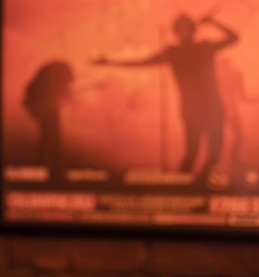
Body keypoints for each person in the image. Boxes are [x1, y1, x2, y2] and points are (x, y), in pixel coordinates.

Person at [93, 14, 238, 176]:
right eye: (181, 28)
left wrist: (212, 22)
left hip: (208, 109)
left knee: (208, 155)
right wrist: (212, 22)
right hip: (200, 109)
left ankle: (196, 185)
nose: (184, 32)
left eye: (185, 28)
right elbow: (141, 62)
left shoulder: (191, 50)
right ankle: (188, 185)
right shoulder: (183, 51)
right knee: (194, 153)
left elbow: (234, 38)